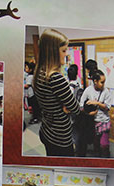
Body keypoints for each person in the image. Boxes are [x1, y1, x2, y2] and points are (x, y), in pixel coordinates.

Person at [33, 28, 81, 157]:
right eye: (64, 50)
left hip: (47, 129)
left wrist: (64, 107)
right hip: (60, 137)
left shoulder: (39, 72)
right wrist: (66, 108)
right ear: (53, 52)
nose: (67, 54)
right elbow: (75, 108)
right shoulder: (55, 77)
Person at [80, 70, 113, 157]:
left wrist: (97, 103)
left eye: (104, 82)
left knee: (104, 144)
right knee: (96, 143)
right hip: (92, 122)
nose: (103, 84)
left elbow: (108, 107)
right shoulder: (88, 90)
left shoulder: (106, 92)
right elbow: (81, 105)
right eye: (102, 82)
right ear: (95, 81)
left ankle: (106, 160)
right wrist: (88, 113)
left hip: (104, 121)